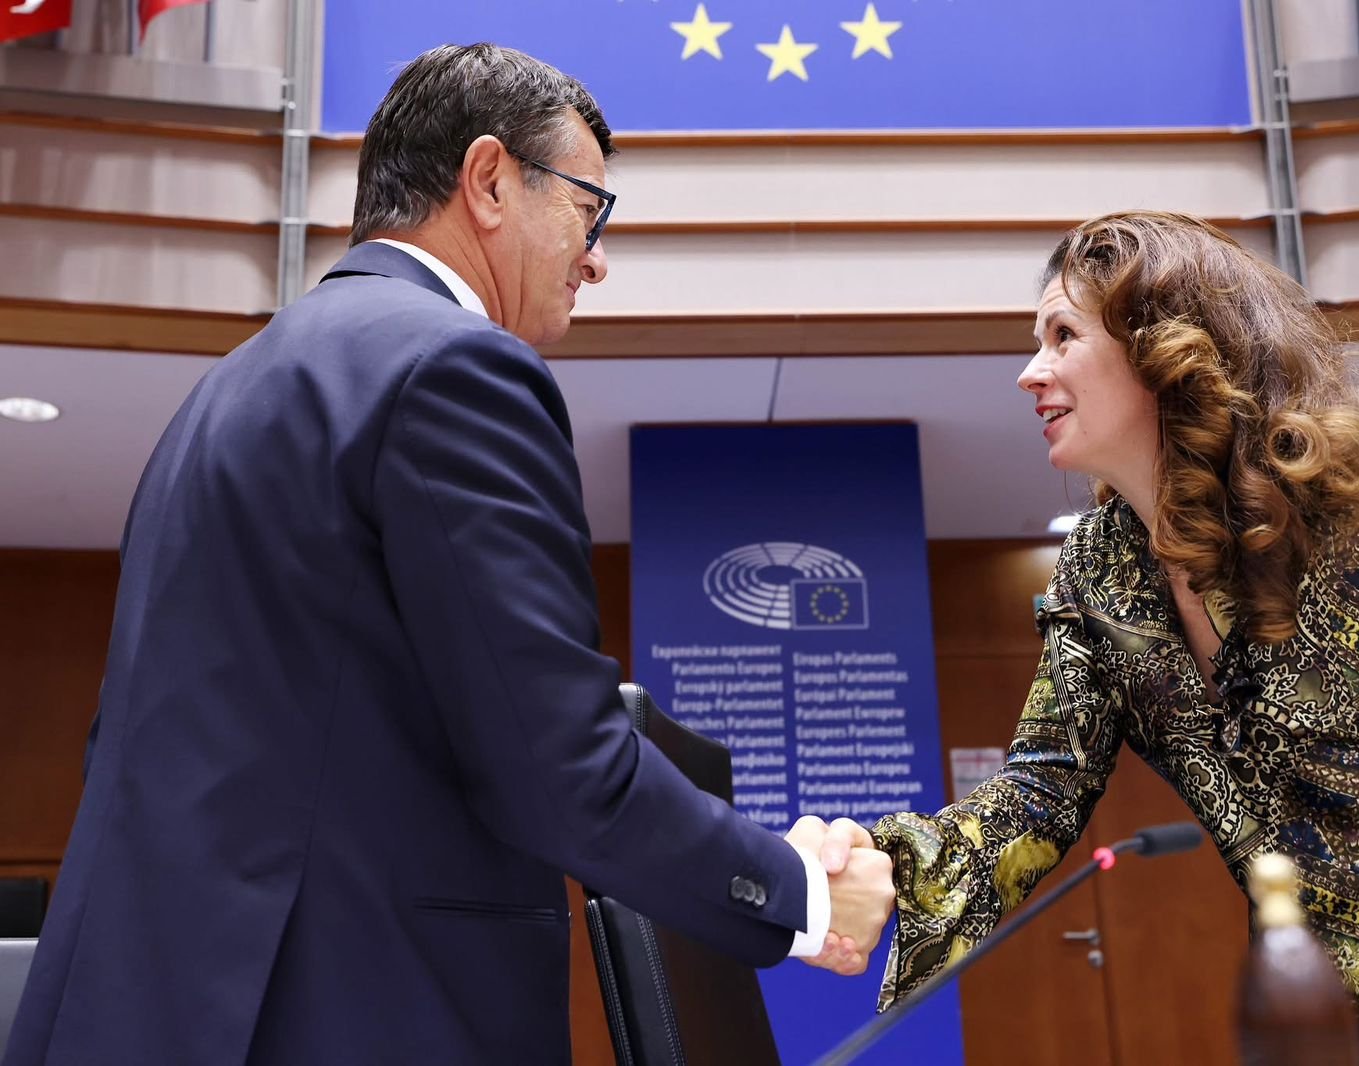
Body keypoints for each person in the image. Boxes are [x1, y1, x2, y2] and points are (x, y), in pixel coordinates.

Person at [3, 44, 891, 1066]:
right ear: (489, 180)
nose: (596, 258)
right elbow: (558, 765)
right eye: (589, 210)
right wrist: (802, 892)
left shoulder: (226, 390)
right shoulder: (454, 369)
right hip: (343, 1015)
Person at [839, 211, 1359, 1063]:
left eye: (1062, 336)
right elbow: (1039, 792)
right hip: (1323, 1032)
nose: (1029, 372)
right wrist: (879, 868)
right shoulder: (1099, 573)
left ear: (1163, 346)